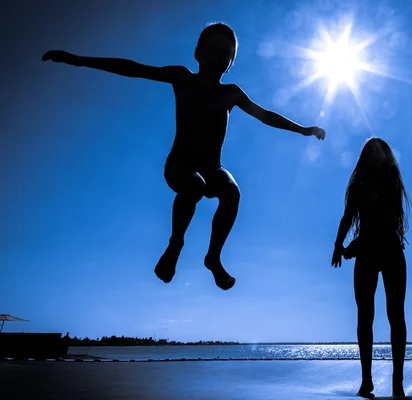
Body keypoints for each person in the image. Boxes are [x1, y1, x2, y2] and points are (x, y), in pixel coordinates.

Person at [42, 22, 326, 290]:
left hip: (213, 167)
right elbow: (133, 68)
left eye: (226, 52)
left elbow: (265, 116)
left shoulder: (231, 93)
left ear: (230, 64)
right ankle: (175, 244)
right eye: (213, 47)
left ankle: (213, 257)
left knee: (232, 192)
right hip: (179, 165)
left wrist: (303, 130)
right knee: (194, 186)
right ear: (198, 53)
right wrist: (78, 59)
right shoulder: (182, 77)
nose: (219, 54)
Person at [331, 137, 410, 398]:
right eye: (371, 152)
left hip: (389, 249)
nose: (375, 156)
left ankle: (397, 380)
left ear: (385, 155)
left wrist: (355, 243)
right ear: (365, 156)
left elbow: (385, 219)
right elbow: (348, 215)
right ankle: (366, 381)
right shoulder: (359, 184)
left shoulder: (391, 180)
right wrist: (338, 244)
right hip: (366, 253)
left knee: (395, 315)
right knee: (365, 317)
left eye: (380, 151)